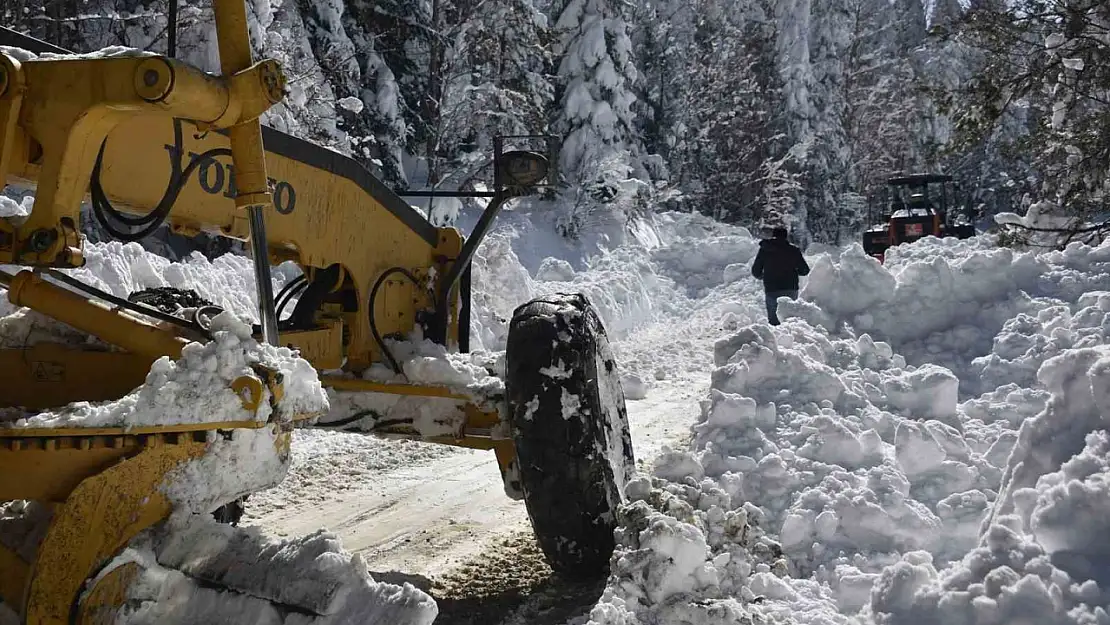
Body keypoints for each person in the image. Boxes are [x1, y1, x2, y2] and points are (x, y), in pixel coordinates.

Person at [750, 226, 810, 325]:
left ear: (773, 235)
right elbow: (805, 270)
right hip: (790, 288)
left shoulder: (765, 249)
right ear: (786, 236)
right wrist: (793, 271)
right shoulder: (793, 250)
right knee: (789, 321)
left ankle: (775, 339)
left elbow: (756, 271)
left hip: (772, 289)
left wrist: (764, 276)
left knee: (774, 322)